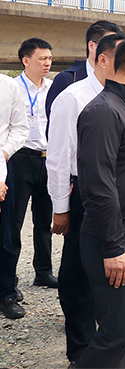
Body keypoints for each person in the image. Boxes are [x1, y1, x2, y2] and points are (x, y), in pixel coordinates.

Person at [48, 33, 125, 364]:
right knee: (116, 335)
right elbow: (98, 186)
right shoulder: (103, 111)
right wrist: (114, 248)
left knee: (121, 334)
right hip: (117, 238)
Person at [11, 38, 57, 290]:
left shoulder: (53, 88)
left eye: (49, 58)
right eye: (42, 58)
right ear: (26, 61)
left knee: (44, 220)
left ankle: (44, 272)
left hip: (47, 158)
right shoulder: (13, 88)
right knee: (13, 221)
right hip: (20, 158)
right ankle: (9, 278)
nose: (47, 63)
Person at [45, 20, 122, 129]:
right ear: (91, 46)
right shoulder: (68, 79)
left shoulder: (120, 81)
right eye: (110, 47)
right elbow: (55, 127)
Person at [0, 74, 30, 319]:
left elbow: (20, 127)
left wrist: (5, 154)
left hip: (3, 164)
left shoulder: (8, 86)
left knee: (6, 234)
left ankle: (6, 293)